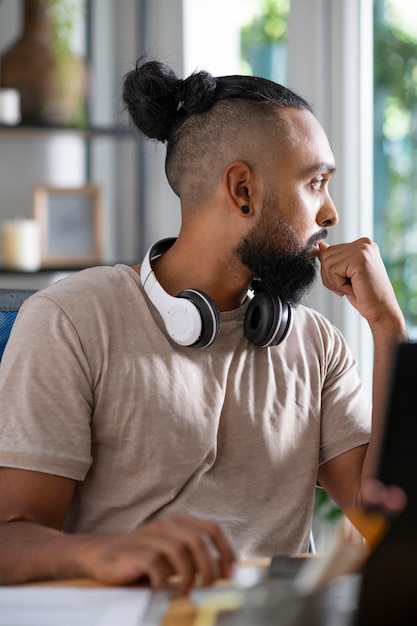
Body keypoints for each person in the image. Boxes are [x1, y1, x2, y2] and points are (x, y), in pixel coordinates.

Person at [0, 60, 407, 592]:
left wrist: (388, 328)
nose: (330, 213)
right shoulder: (74, 320)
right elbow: (10, 541)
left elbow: (385, 517)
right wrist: (107, 554)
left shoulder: (315, 344)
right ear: (242, 190)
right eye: (316, 183)